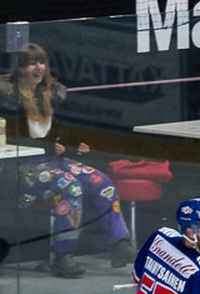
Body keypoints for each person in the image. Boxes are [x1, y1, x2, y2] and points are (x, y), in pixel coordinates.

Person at [0, 43, 134, 278]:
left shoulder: (54, 95)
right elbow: (11, 139)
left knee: (101, 182)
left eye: (42, 62)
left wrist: (76, 144)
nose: (39, 67)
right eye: (32, 63)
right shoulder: (6, 98)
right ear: (20, 68)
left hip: (54, 160)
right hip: (21, 165)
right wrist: (49, 146)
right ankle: (63, 256)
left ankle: (119, 245)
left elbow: (66, 132)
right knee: (69, 185)